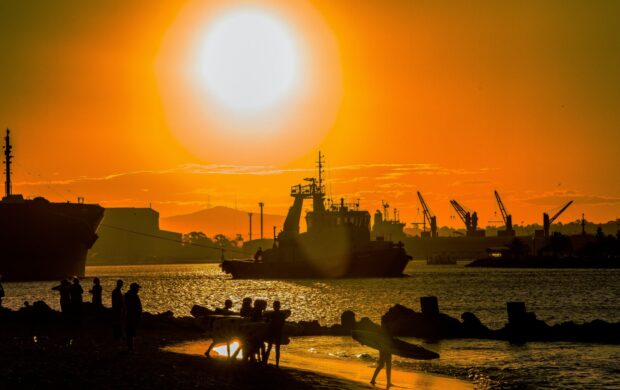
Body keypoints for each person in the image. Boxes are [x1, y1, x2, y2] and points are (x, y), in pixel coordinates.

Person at [263, 300, 289, 367]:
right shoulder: (282, 314)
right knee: (277, 348)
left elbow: (266, 321)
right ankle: (277, 364)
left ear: (274, 306)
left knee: (269, 347)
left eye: (275, 306)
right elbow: (283, 323)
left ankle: (265, 362)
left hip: (272, 332)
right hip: (278, 332)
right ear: (279, 307)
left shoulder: (272, 314)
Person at [370, 316, 393, 389]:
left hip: (386, 349)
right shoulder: (384, 329)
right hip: (385, 349)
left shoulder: (382, 329)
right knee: (385, 365)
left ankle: (374, 379)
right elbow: (380, 340)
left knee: (382, 365)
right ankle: (387, 382)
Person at [124, 282, 142, 351]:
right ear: (134, 289)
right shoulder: (133, 296)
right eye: (137, 288)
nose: (138, 290)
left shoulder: (127, 295)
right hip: (131, 316)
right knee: (130, 332)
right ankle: (130, 348)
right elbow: (136, 307)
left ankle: (130, 347)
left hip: (129, 316)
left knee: (130, 332)